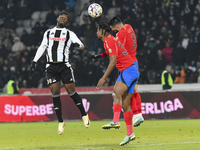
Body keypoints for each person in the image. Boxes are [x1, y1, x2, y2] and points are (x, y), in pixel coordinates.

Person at [30, 11, 90, 135]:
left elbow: (81, 45)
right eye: (61, 17)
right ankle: (60, 122)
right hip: (51, 67)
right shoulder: (48, 32)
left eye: (65, 18)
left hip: (64, 66)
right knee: (55, 93)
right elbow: (42, 46)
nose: (63, 19)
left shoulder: (69, 33)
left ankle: (84, 115)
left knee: (71, 92)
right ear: (57, 18)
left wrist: (77, 45)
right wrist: (35, 61)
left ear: (67, 22)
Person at [90, 16, 144, 127]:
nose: (113, 31)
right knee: (131, 91)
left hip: (127, 63)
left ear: (117, 27)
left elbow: (116, 48)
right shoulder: (129, 27)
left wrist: (103, 75)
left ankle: (127, 118)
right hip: (133, 61)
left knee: (121, 94)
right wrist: (102, 55)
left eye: (114, 29)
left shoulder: (120, 34)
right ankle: (136, 118)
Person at [96, 24, 139, 146]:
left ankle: (115, 121)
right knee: (125, 104)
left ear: (103, 32)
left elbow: (113, 61)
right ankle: (130, 133)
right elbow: (113, 54)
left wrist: (104, 77)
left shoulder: (109, 40)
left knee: (116, 93)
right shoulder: (111, 40)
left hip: (128, 70)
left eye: (98, 30)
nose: (97, 33)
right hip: (131, 70)